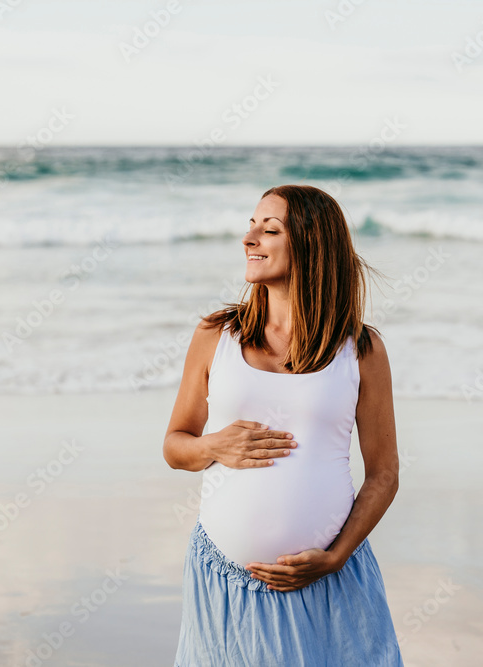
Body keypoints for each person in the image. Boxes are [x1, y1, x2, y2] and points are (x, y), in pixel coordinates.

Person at [163, 184, 404, 666]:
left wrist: (334, 558)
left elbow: (384, 473)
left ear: (312, 245)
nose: (250, 239)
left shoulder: (359, 350)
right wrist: (214, 446)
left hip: (330, 581)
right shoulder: (217, 336)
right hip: (225, 580)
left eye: (269, 229)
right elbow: (176, 446)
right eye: (251, 226)